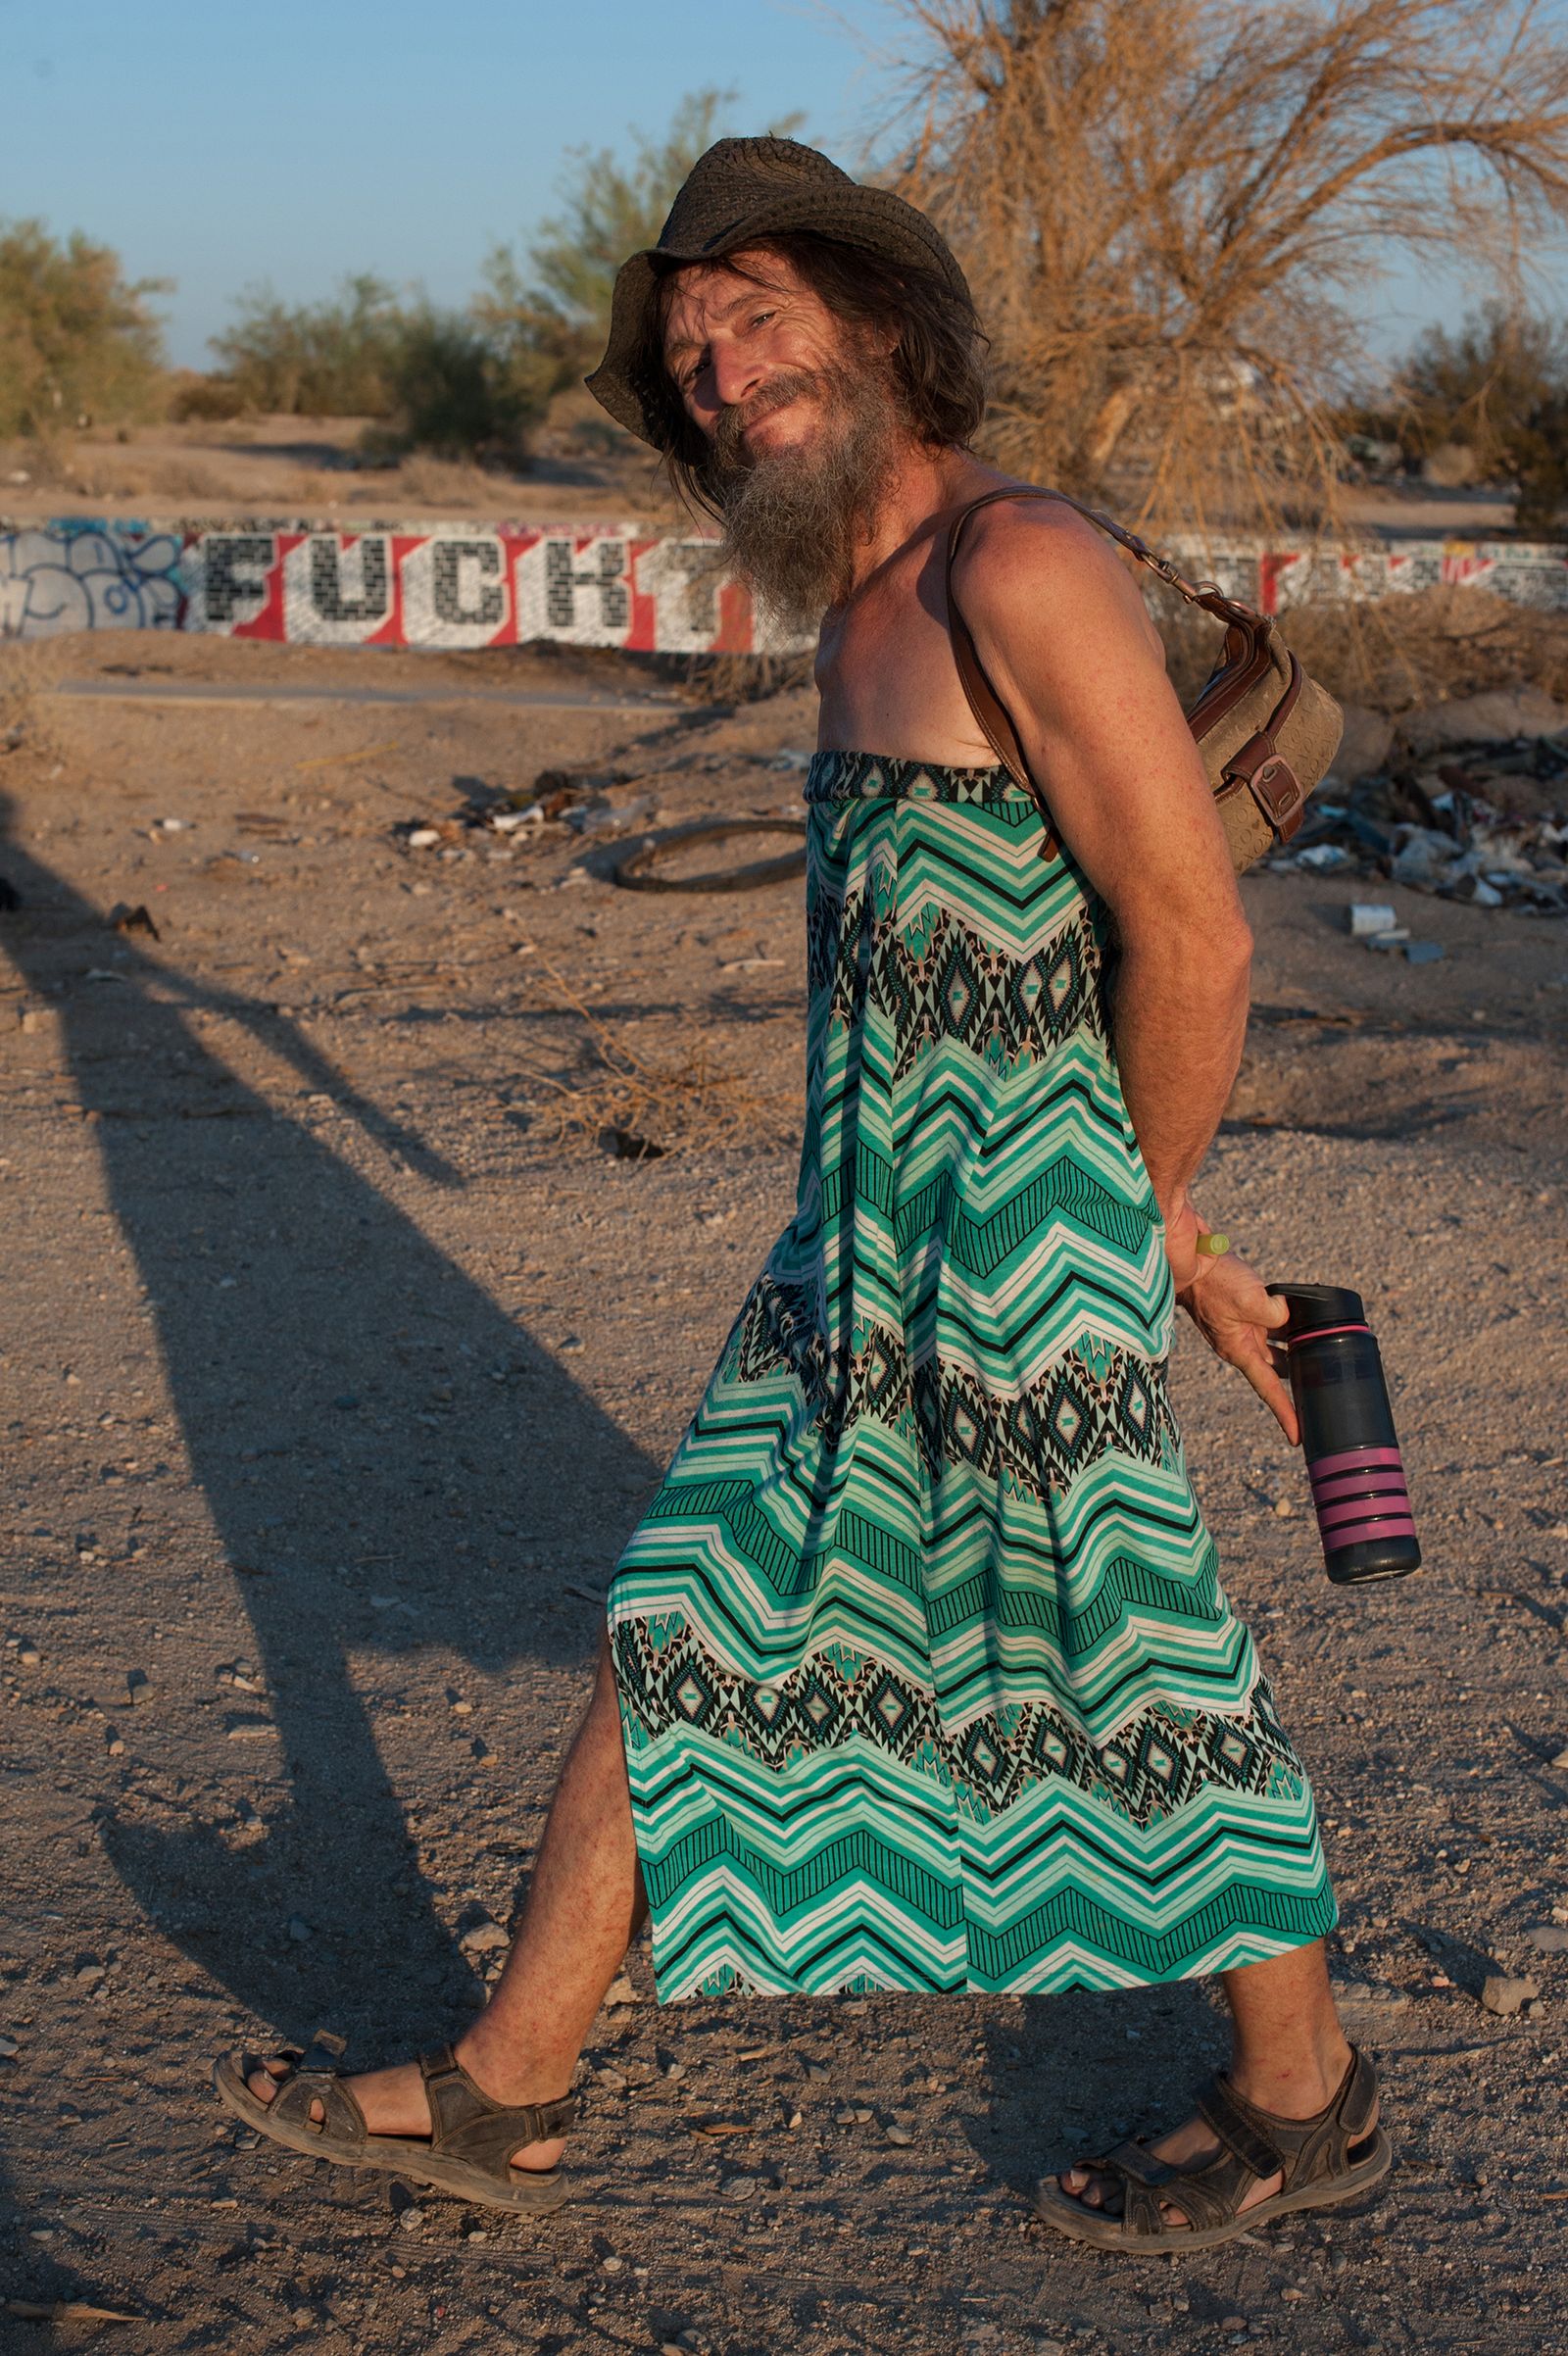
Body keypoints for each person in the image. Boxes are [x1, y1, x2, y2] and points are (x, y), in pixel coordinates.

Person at [216, 135, 1391, 2252]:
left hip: (1016, 1256)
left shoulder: (1012, 567)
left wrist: (1129, 1241)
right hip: (860, 1242)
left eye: (749, 318)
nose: (716, 372)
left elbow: (1189, 942)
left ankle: (1304, 2092)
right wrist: (1172, 1244)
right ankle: (507, 2079)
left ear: (870, 327)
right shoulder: (854, 607)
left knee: (1129, 1665)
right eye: (687, 353)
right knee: (687, 1619)